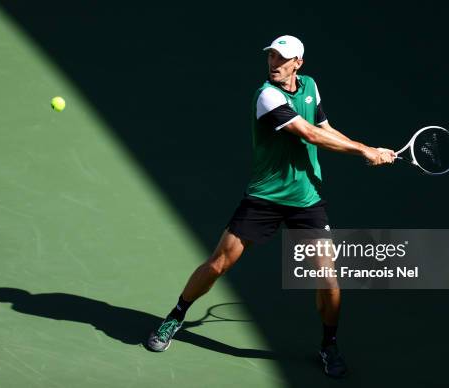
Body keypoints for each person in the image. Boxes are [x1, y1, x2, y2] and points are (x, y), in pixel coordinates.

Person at [147, 35, 396, 378]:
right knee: (219, 263)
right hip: (264, 199)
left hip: (306, 200)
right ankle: (175, 316)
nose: (274, 64)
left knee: (328, 279)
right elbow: (308, 134)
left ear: (298, 63)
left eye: (282, 59)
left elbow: (324, 127)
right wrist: (364, 151)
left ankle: (329, 344)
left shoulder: (310, 86)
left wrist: (366, 147)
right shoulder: (266, 96)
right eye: (271, 57)